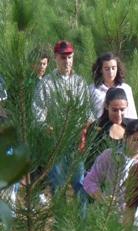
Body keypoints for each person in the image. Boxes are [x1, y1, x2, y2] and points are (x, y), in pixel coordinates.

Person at [33, 40, 93, 192]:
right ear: (55, 58)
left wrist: (85, 131)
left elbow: (87, 112)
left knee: (80, 184)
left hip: (75, 141)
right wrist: (46, 128)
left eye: (69, 57)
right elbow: (38, 112)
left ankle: (82, 209)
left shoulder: (80, 83)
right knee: (57, 186)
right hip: (56, 142)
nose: (67, 61)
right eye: (63, 57)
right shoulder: (46, 83)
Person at [83, 119, 138, 208]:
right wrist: (102, 198)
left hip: (134, 214)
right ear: (125, 137)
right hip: (107, 210)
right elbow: (90, 180)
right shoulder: (110, 155)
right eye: (135, 139)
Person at [90, 52, 138, 120]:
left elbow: (132, 115)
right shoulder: (92, 90)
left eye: (113, 68)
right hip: (99, 125)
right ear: (101, 70)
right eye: (107, 69)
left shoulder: (126, 89)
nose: (111, 72)